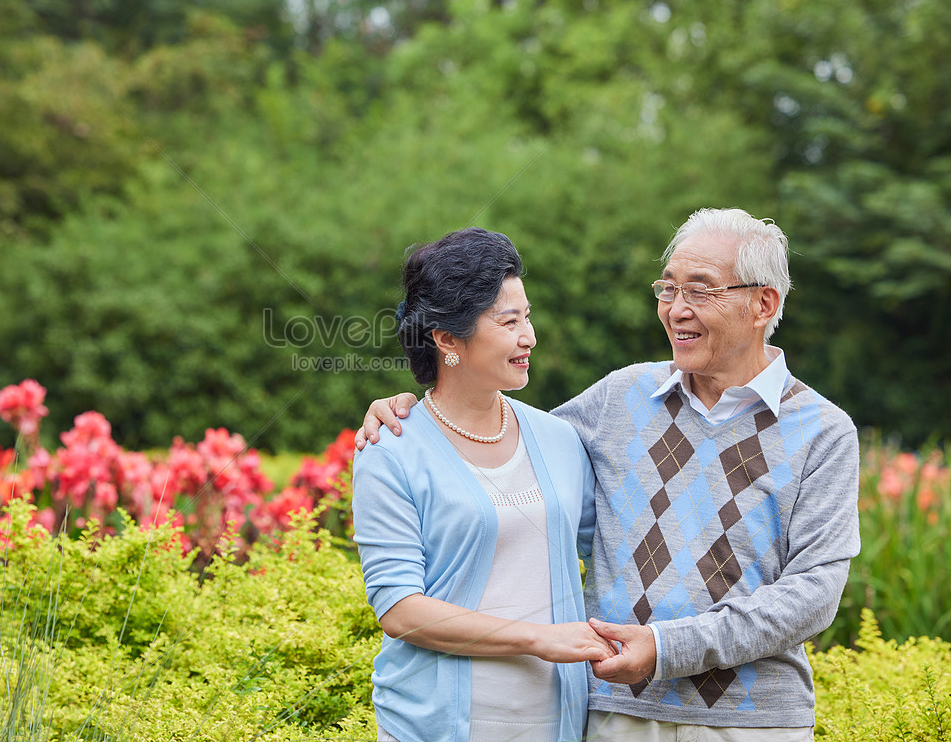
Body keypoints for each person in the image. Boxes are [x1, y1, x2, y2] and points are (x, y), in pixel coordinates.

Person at [356, 209, 860, 741]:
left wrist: (669, 647)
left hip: (752, 722)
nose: (676, 309)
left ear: (764, 304)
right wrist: (409, 414)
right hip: (618, 715)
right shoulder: (621, 398)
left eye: (700, 291)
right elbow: (492, 448)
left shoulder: (823, 431)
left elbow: (815, 592)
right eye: (667, 288)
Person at [353, 227, 617, 742]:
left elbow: (616, 552)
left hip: (558, 721)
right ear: (447, 338)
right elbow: (401, 610)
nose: (529, 337)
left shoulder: (560, 438)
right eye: (508, 321)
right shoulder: (390, 449)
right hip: (433, 724)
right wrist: (539, 640)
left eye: (528, 316)